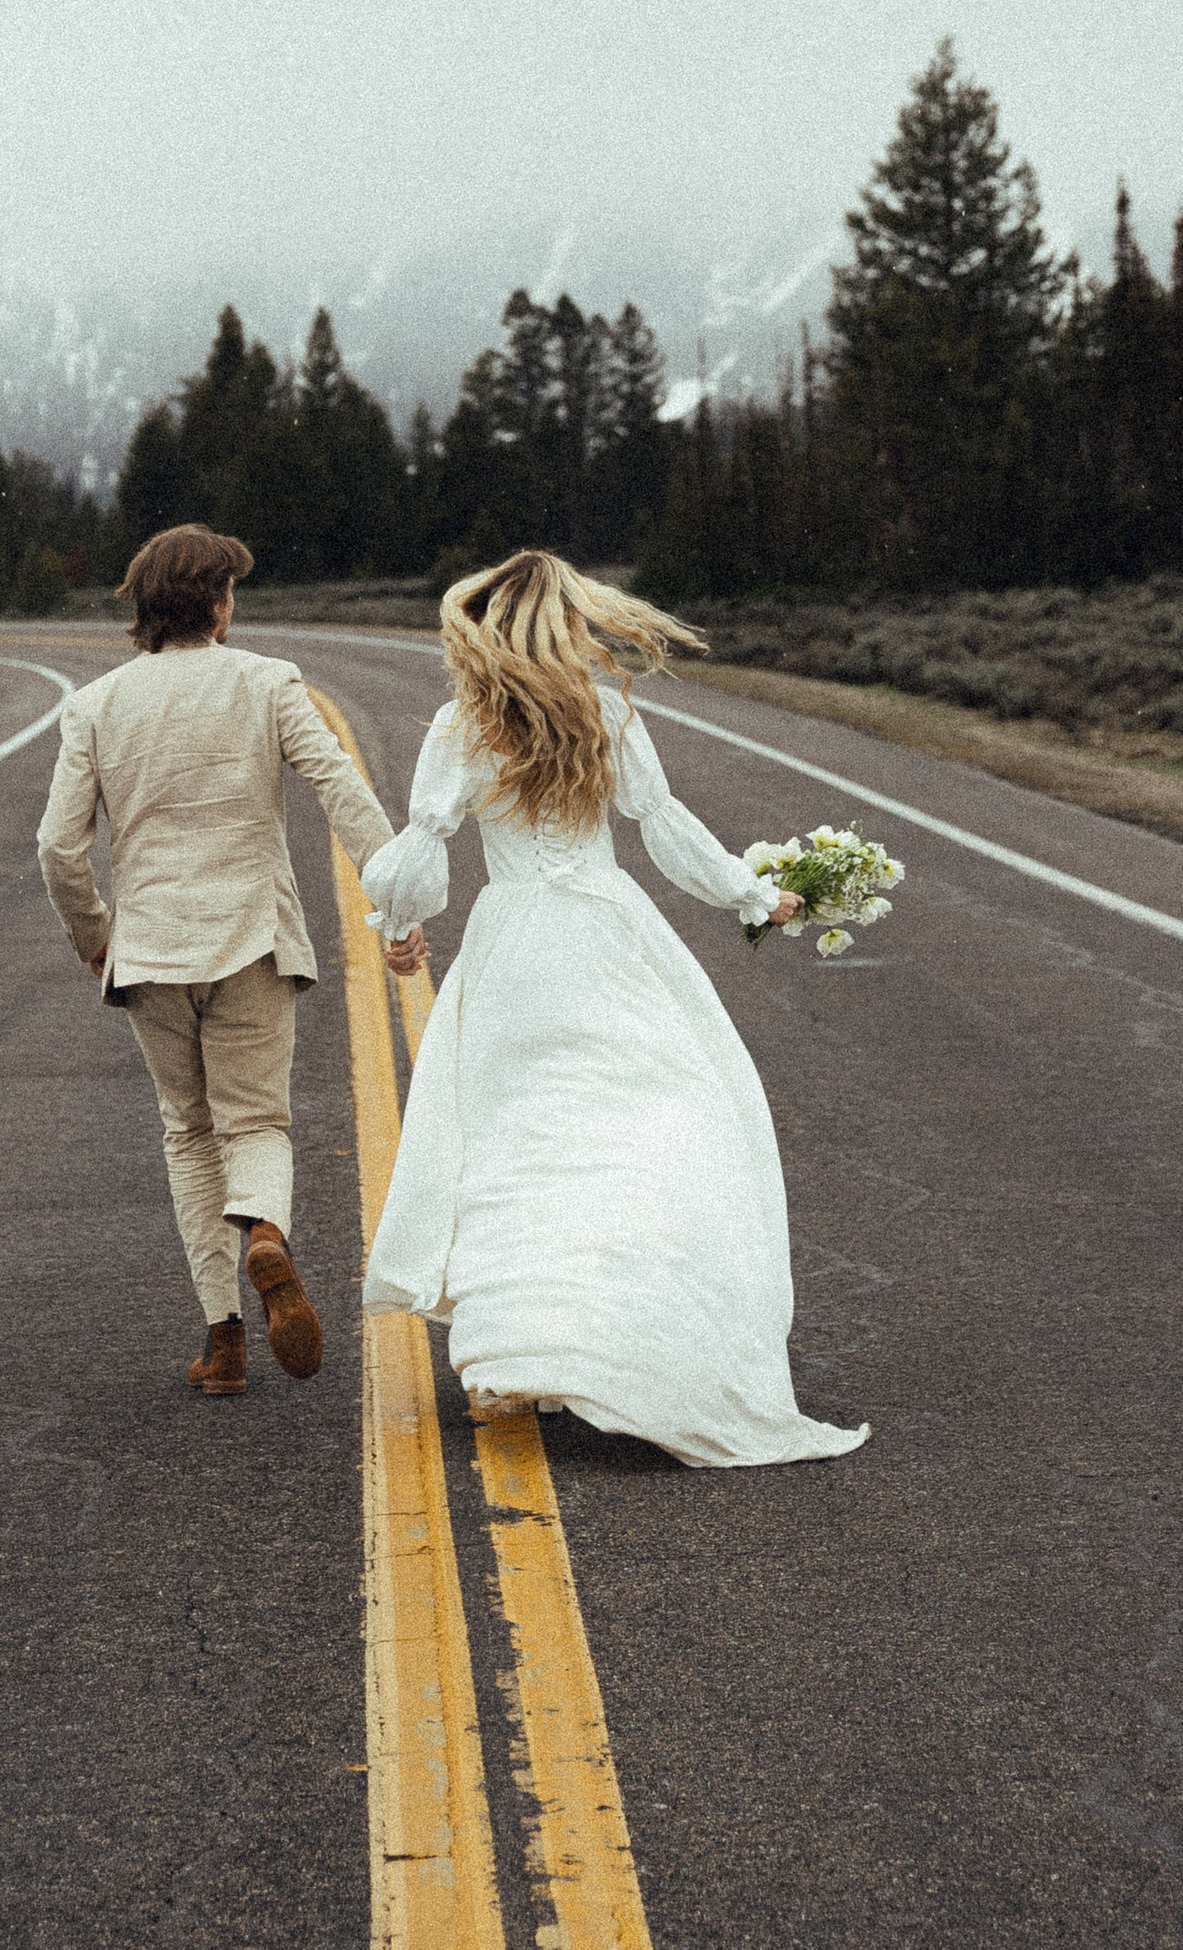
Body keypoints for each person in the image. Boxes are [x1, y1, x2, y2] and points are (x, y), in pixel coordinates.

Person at [358, 549, 867, 1468]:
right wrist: (753, 895)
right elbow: (664, 825)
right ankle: (612, 1329)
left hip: (514, 946)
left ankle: (521, 1344)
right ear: (568, 625)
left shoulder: (461, 725)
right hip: (607, 934)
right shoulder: (605, 713)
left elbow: (423, 841)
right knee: (649, 1120)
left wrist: (398, 925)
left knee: (521, 1140)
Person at [37, 520, 397, 1400]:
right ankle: (266, 1233)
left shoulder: (95, 705)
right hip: (253, 939)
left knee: (188, 1132)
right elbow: (340, 789)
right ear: (218, 604)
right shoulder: (269, 683)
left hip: (152, 951)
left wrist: (96, 938)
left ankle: (224, 1338)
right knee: (256, 1124)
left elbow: (57, 846)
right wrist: (396, 901)